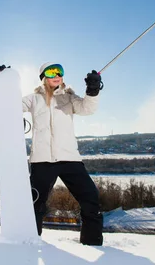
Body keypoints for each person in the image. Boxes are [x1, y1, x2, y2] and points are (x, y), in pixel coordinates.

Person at [21, 62, 104, 246]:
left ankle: (92, 243)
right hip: (42, 160)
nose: (57, 74)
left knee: (91, 198)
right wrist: (3, 83)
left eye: (60, 71)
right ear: (43, 77)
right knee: (35, 204)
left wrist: (92, 90)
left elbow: (87, 109)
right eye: (52, 71)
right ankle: (31, 243)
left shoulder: (69, 97)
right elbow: (12, 106)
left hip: (69, 159)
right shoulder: (34, 99)